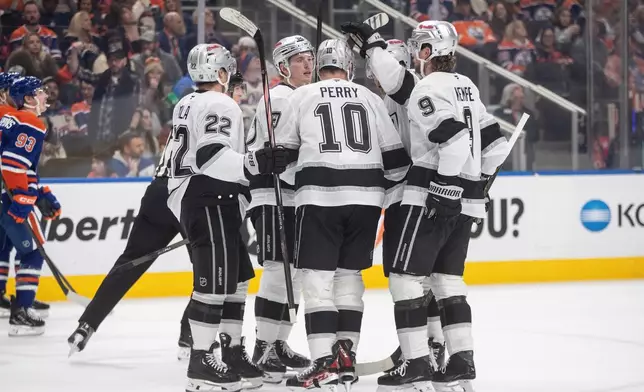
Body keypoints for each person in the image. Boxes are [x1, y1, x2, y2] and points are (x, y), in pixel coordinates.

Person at [66, 66, 250, 360]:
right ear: (227, 87)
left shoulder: (190, 107)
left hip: (158, 192)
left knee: (130, 262)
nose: (241, 96)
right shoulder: (221, 112)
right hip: (191, 196)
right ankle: (189, 338)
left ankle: (86, 325)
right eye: (238, 90)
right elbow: (218, 162)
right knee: (210, 267)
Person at [378, 21, 508, 392]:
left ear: (424, 53)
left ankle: (416, 363)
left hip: (431, 193)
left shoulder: (428, 86)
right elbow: (495, 147)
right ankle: (462, 362)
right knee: (448, 280)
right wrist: (475, 181)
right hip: (469, 198)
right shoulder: (467, 85)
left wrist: (445, 186)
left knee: (405, 279)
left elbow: (451, 139)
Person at [276, 38, 409, 389]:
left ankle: (324, 364)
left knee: (318, 282)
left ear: (318, 67)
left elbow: (283, 155)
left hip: (320, 195)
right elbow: (396, 160)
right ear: (349, 67)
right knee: (349, 281)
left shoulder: (300, 96)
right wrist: (390, 203)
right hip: (366, 199)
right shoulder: (368, 97)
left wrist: (285, 172)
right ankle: (346, 357)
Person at [166, 43, 287, 392]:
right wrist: (256, 163)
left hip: (205, 197)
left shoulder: (189, 101)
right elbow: (210, 155)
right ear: (220, 72)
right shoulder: (220, 102)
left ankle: (231, 351)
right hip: (209, 197)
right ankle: (201, 361)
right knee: (214, 284)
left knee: (235, 280)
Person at [340, 25, 447, 371]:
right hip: (415, 195)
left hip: (411, 197)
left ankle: (423, 350)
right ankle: (429, 346)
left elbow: (394, 157)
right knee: (422, 278)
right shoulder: (398, 96)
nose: (374, 76)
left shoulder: (406, 93)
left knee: (409, 278)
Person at [246, 34, 314, 383]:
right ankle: (263, 347)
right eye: (300, 59)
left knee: (295, 275)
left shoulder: (302, 95)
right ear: (284, 66)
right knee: (277, 271)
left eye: (310, 58)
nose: (308, 64)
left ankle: (280, 343)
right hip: (272, 195)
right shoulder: (281, 97)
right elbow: (280, 156)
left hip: (293, 197)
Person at [0, 76, 61, 336]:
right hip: (10, 197)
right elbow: (13, 163)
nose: (46, 96)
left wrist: (40, 191)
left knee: (7, 248)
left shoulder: (9, 118)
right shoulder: (31, 122)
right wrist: (25, 198)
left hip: (6, 194)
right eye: (40, 92)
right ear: (27, 98)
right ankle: (22, 312)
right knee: (33, 252)